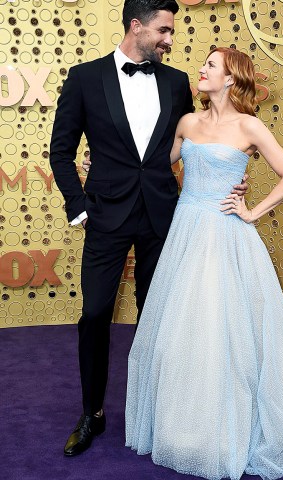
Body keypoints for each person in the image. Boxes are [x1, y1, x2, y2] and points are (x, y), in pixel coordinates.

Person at [124, 48, 283, 480]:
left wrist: (252, 211)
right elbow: (155, 165)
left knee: (227, 332)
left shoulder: (250, 126)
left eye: (211, 66)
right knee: (182, 332)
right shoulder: (186, 122)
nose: (202, 70)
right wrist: (106, 164)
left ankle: (228, 425)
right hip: (186, 231)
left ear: (230, 79)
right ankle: (184, 426)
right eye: (203, 64)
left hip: (226, 235)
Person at [50, 0, 248, 458]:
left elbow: (198, 137)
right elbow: (61, 151)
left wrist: (235, 165)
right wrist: (79, 205)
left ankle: (161, 410)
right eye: (163, 30)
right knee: (96, 313)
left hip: (164, 217)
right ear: (136, 26)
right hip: (105, 216)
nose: (169, 40)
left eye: (172, 32)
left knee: (159, 315)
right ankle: (91, 412)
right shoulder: (84, 79)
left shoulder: (177, 82)